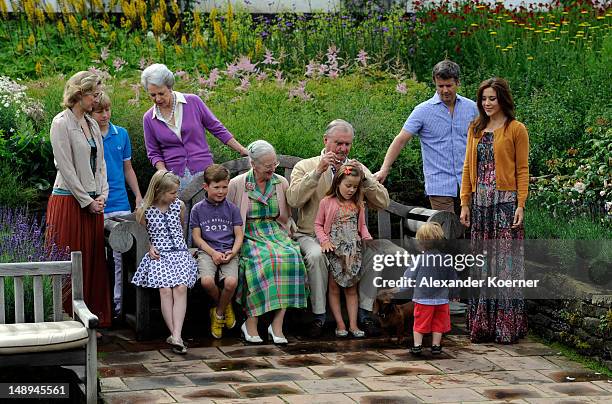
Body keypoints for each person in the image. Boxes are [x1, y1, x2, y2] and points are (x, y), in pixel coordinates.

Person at [286, 119, 393, 337]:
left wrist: (365, 180)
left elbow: (383, 202)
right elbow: (293, 199)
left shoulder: (356, 168)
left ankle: (365, 314)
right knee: (316, 256)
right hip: (312, 235)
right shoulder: (305, 166)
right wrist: (317, 172)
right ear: (326, 141)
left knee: (374, 254)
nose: (343, 149)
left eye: (347, 144)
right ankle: (319, 317)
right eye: (338, 143)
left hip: (350, 237)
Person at [459, 77, 529, 344]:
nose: (487, 103)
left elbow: (522, 170)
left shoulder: (516, 129)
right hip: (480, 204)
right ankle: (483, 325)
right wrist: (465, 202)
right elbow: (467, 167)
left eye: (492, 98)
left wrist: (520, 204)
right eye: (484, 99)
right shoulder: (475, 128)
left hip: (506, 203)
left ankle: (506, 326)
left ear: (503, 100)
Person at [45, 71, 112, 328]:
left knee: (93, 260)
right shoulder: (60, 123)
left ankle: (93, 321)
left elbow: (101, 164)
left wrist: (102, 194)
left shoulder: (92, 123)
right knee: (69, 259)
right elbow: (66, 168)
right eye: (93, 95)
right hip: (69, 202)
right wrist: (87, 200)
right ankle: (66, 321)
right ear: (79, 94)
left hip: (94, 202)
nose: (96, 100)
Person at [227, 140, 308, 345]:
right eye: (267, 165)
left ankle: (277, 324)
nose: (273, 168)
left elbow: (287, 215)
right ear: (253, 164)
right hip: (248, 233)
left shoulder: (280, 182)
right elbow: (228, 216)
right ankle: (251, 322)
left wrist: (287, 231)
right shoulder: (238, 184)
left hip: (275, 232)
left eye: (274, 164)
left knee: (291, 257)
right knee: (264, 260)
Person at [374, 60, 478, 213]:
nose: (445, 90)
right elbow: (401, 139)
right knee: (446, 232)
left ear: (458, 82)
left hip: (469, 182)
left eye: (449, 85)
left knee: (470, 231)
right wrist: (384, 169)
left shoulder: (472, 108)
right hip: (439, 185)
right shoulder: (422, 111)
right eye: (440, 86)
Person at [141, 63, 248, 191]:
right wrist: (163, 173)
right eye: (153, 95)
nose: (158, 99)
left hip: (204, 173)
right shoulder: (148, 118)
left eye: (161, 93)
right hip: (174, 180)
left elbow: (217, 128)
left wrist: (241, 149)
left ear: (170, 87)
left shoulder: (193, 102)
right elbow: (153, 152)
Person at [131, 170, 198, 354]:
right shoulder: (144, 210)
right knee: (165, 289)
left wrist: (185, 251)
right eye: (172, 192)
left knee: (181, 287)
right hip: (159, 256)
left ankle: (176, 336)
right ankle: (176, 336)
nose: (176, 195)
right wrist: (149, 245)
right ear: (159, 191)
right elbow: (144, 235)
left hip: (180, 254)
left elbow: (180, 228)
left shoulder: (179, 206)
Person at [91, 93, 143, 317]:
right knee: (97, 258)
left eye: (108, 110)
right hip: (96, 205)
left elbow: (127, 168)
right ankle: (99, 307)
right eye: (99, 111)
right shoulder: (88, 137)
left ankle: (118, 306)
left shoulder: (120, 134)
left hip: (120, 203)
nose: (105, 115)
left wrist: (138, 197)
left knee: (120, 256)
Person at [314, 161, 372, 338]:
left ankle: (353, 325)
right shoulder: (327, 202)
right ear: (337, 183)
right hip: (335, 251)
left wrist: (367, 238)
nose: (351, 190)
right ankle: (340, 324)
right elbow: (318, 225)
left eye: (355, 186)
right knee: (333, 287)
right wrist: (324, 241)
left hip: (353, 252)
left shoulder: (358, 204)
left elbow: (362, 226)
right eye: (348, 185)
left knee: (351, 289)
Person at [190, 164, 243, 339]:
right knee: (206, 281)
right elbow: (197, 238)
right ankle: (225, 305)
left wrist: (233, 252)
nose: (221, 191)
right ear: (206, 186)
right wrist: (212, 253)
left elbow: (238, 235)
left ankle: (218, 313)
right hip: (207, 252)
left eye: (224, 187)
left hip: (228, 252)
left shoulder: (232, 209)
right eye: (216, 187)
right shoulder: (198, 209)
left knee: (231, 283)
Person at [402, 222, 458, 355]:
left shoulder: (419, 259)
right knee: (438, 323)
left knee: (420, 322)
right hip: (441, 300)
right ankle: (436, 346)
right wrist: (455, 292)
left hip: (423, 299)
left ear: (421, 242)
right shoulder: (446, 259)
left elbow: (409, 276)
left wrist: (400, 288)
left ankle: (417, 346)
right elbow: (453, 279)